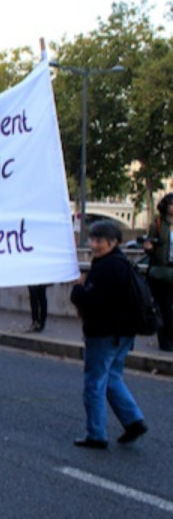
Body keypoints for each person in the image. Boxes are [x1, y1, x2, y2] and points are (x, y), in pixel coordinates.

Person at [70, 220, 148, 449]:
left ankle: (96, 434)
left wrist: (77, 289)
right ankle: (133, 420)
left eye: (99, 241)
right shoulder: (123, 263)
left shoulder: (105, 268)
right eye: (92, 240)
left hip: (104, 333)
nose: (94, 245)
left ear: (112, 242)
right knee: (112, 377)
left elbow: (93, 302)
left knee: (94, 383)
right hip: (124, 333)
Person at [143, 192, 173, 352]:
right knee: (164, 308)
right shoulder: (158, 225)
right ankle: (166, 341)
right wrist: (148, 248)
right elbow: (150, 248)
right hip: (162, 272)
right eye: (172, 204)